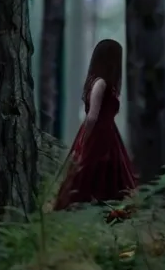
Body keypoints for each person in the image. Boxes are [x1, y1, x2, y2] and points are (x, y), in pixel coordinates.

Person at [53, 39, 138, 210]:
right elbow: (92, 116)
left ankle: (107, 209)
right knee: (90, 169)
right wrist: (85, 139)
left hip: (107, 134)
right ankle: (82, 207)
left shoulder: (104, 84)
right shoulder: (100, 83)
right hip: (99, 135)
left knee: (106, 172)